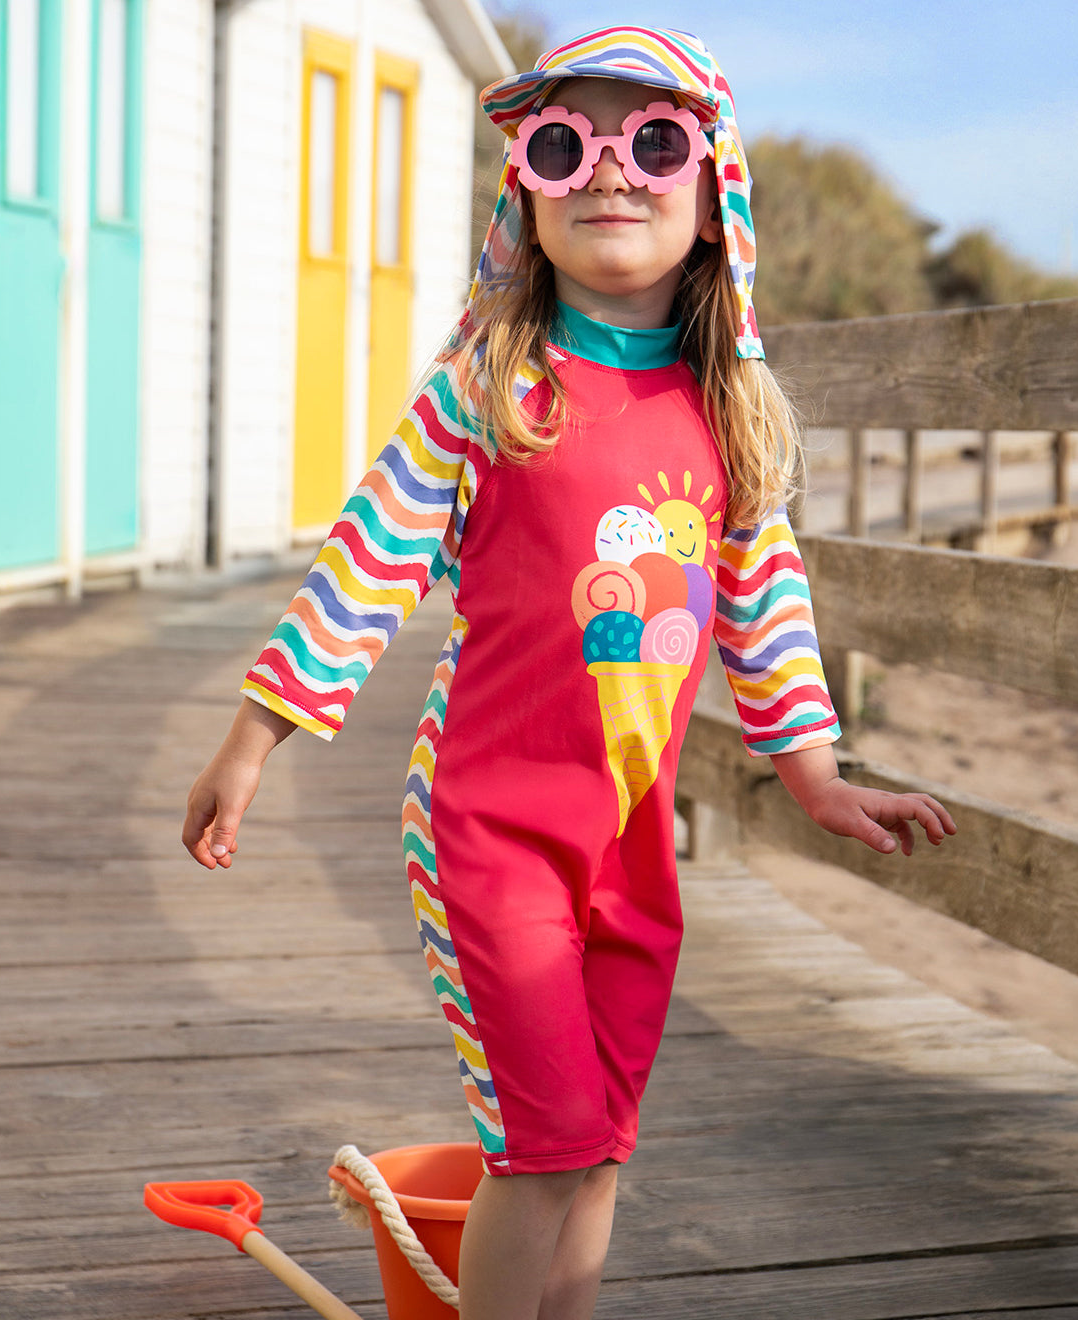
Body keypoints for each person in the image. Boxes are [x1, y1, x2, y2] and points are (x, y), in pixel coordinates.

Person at [182, 25, 956, 1320]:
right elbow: (363, 566)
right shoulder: (486, 390)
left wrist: (816, 777)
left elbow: (764, 605)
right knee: (540, 1151)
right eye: (564, 145)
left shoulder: (730, 414)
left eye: (654, 143)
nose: (610, 173)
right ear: (524, 196)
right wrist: (252, 743)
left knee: (599, 1152)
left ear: (714, 197)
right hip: (490, 833)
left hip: (631, 851)